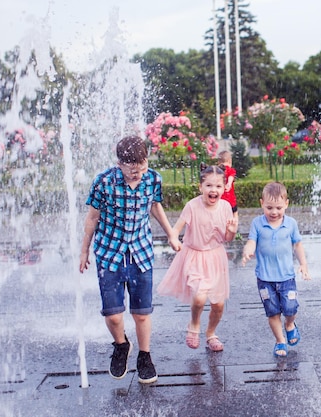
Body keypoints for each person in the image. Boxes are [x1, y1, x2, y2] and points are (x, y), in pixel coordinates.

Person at [79, 135, 179, 384]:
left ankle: (145, 356)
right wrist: (83, 251)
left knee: (142, 313)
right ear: (119, 163)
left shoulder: (153, 179)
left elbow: (155, 206)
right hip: (109, 253)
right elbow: (92, 218)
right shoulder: (104, 182)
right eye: (132, 170)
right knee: (113, 315)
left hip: (141, 253)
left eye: (142, 168)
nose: (138, 174)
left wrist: (171, 235)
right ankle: (121, 345)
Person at [157, 165, 238, 352]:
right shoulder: (192, 206)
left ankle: (211, 333)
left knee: (218, 305)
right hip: (194, 256)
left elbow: (227, 238)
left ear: (224, 187)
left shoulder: (225, 207)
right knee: (200, 297)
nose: (213, 190)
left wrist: (232, 232)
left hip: (216, 258)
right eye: (209, 185)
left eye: (218, 186)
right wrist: (173, 238)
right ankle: (194, 324)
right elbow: (177, 228)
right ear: (200, 186)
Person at [241, 182, 311, 357]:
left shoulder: (291, 224)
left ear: (286, 204)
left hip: (287, 276)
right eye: (269, 207)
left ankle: (289, 325)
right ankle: (280, 341)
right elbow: (252, 241)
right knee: (272, 311)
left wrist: (303, 264)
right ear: (261, 203)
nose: (274, 212)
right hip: (265, 278)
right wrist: (248, 249)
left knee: (290, 308)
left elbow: (297, 244)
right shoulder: (257, 223)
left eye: (279, 207)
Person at [218, 150, 238, 220]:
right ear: (230, 161)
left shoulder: (218, 171)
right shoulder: (230, 169)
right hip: (231, 200)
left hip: (221, 200)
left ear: (219, 162)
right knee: (234, 213)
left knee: (222, 216)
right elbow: (231, 176)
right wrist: (229, 183)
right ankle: (235, 224)